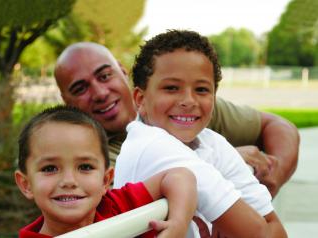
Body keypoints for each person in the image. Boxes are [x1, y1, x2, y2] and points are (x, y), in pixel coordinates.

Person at [54, 41, 299, 198]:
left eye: (105, 75)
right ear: (66, 102)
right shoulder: (85, 156)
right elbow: (161, 188)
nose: (100, 92)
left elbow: (278, 126)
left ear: (122, 70)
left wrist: (274, 174)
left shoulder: (183, 107)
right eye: (80, 88)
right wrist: (228, 160)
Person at [114, 29, 287, 237]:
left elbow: (275, 229)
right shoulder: (152, 146)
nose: (188, 100)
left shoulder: (210, 142)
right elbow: (261, 233)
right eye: (171, 88)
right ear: (140, 99)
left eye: (202, 89)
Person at [14, 105, 197, 237]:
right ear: (26, 184)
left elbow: (180, 176)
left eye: (85, 167)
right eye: (50, 168)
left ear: (105, 180)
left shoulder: (118, 207)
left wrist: (178, 225)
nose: (69, 181)